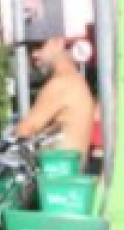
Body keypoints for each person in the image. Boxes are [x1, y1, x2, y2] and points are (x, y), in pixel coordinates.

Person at [15, 26, 96, 161]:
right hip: (67, 173)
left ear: (59, 42)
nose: (33, 54)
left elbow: (24, 132)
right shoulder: (76, 80)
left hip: (57, 176)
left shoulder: (61, 84)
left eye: (39, 46)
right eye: (29, 48)